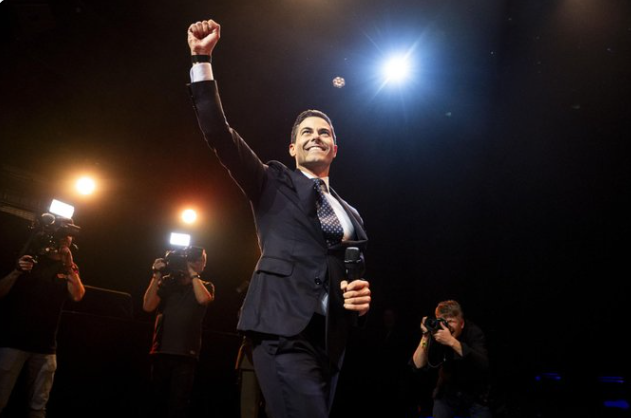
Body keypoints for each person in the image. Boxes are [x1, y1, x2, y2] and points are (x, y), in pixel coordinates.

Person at [186, 19, 372, 418]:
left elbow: (351, 272)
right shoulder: (271, 181)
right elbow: (219, 133)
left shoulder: (350, 214)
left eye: (324, 133)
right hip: (279, 327)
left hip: (330, 338)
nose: (316, 136)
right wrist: (202, 60)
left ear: (335, 148)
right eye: (306, 132)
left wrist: (359, 298)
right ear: (292, 148)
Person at [0, 233, 85, 418]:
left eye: (70, 233)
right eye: (62, 231)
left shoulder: (69, 267)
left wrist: (69, 265)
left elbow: (77, 295)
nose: (66, 237)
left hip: (46, 346)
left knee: (38, 406)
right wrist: (16, 271)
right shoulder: (30, 257)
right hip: (14, 340)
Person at [142, 246, 215, 418]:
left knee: (178, 406)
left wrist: (192, 273)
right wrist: (156, 275)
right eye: (193, 259)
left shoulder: (206, 286)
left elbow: (203, 299)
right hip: (161, 351)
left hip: (186, 354)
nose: (197, 262)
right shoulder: (167, 282)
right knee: (155, 403)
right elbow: (148, 306)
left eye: (200, 260)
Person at [411, 300, 492, 418]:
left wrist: (451, 341)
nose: (446, 327)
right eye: (443, 322)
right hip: (448, 393)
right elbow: (417, 365)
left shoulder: (473, 332)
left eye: (450, 321)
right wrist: (425, 336)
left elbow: (483, 364)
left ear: (461, 323)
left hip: (475, 394)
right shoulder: (437, 332)